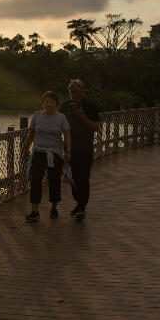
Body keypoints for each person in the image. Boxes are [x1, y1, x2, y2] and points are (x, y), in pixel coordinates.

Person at [22, 91, 72, 222]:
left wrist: (68, 152)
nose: (49, 104)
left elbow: (67, 135)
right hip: (39, 152)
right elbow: (31, 134)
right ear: (43, 102)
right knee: (36, 180)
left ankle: (54, 208)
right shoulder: (37, 116)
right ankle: (35, 211)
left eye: (52, 102)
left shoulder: (61, 118)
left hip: (54, 154)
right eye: (46, 102)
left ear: (56, 104)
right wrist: (26, 149)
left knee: (54, 181)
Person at [59, 79, 101, 220]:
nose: (75, 95)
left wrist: (82, 116)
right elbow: (57, 124)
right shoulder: (65, 107)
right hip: (69, 150)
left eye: (78, 92)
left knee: (83, 177)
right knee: (73, 177)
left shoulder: (90, 107)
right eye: (72, 92)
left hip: (85, 148)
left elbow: (96, 127)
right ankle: (78, 203)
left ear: (83, 92)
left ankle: (82, 206)